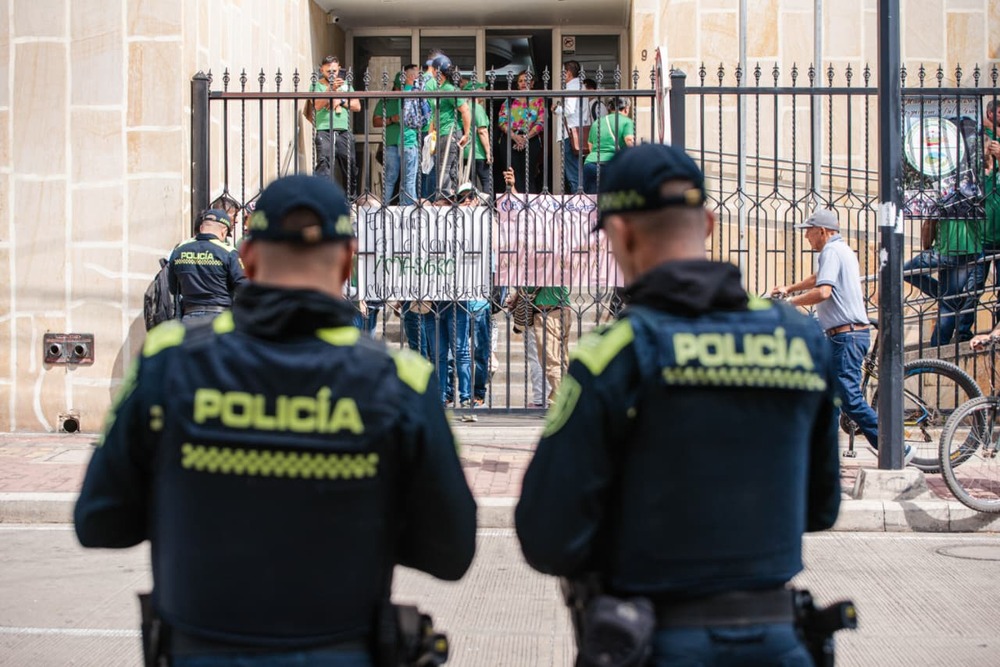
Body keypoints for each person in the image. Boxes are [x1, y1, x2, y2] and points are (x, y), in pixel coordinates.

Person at [74, 174, 477, 667]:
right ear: (348, 260)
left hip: (201, 649)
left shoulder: (169, 360)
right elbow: (452, 549)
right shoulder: (401, 380)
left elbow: (99, 520)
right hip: (341, 649)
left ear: (246, 257)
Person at [516, 143, 841, 666]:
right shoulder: (799, 339)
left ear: (620, 233)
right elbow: (822, 508)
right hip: (779, 644)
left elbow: (546, 536)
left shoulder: (614, 354)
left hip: (657, 642)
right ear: (708, 223)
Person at [770, 210, 913, 463]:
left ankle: (895, 449)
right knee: (830, 395)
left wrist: (791, 302)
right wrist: (789, 287)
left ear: (822, 231)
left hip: (846, 337)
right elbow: (818, 279)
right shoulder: (839, 250)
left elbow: (823, 291)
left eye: (808, 231)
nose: (806, 237)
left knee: (850, 399)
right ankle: (821, 452)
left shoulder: (832, 252)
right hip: (844, 335)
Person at [168, 209, 247, 322]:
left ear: (201, 228)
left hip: (189, 318)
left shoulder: (179, 250)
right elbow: (243, 286)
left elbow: (173, 288)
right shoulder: (228, 252)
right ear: (224, 231)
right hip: (220, 318)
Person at [311, 56, 361, 197]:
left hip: (343, 130)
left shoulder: (346, 85)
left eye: (334, 70)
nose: (332, 74)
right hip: (324, 129)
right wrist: (330, 90)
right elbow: (316, 105)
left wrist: (341, 99)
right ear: (322, 70)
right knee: (323, 163)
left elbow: (357, 105)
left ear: (339, 69)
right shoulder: (317, 85)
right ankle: (321, 198)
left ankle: (350, 199)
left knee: (349, 163)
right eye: (328, 71)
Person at [373, 65, 420, 205]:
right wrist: (391, 119)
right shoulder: (386, 100)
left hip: (403, 142)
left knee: (403, 179)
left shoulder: (410, 98)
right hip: (392, 144)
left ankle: (391, 207)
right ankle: (389, 206)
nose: (400, 90)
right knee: (396, 178)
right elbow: (375, 121)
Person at [429, 55, 471, 200]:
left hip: (451, 133)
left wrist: (466, 133)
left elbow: (465, 110)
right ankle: (449, 197)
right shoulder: (440, 89)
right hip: (441, 133)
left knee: (445, 168)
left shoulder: (450, 89)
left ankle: (444, 198)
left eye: (432, 69)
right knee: (445, 168)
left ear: (436, 71)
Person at [498, 71, 547, 194]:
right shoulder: (509, 100)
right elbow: (501, 121)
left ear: (532, 83)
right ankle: (513, 203)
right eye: (520, 81)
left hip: (531, 139)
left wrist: (525, 138)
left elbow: (541, 122)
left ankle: (529, 205)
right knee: (511, 173)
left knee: (528, 175)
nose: (523, 83)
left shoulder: (539, 100)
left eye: (526, 80)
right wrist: (515, 137)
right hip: (510, 139)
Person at [554, 60, 592, 193]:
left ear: (568, 73)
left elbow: (569, 110)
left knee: (572, 172)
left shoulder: (571, 87)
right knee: (578, 169)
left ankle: (578, 201)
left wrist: (556, 109)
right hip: (579, 132)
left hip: (570, 134)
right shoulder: (582, 87)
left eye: (562, 73)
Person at [582, 97, 635, 194]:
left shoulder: (597, 122)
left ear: (609, 108)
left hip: (591, 164)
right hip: (611, 165)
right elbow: (629, 140)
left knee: (592, 201)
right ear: (627, 108)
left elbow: (590, 145)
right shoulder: (627, 121)